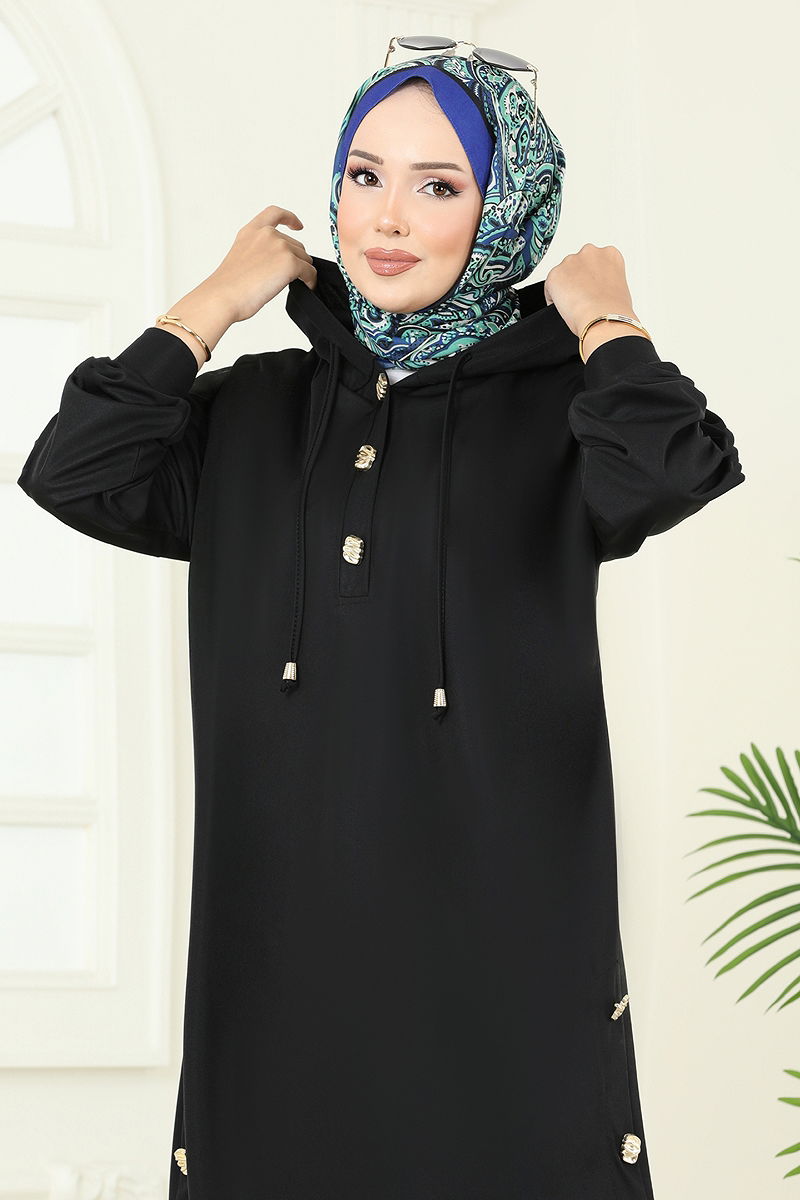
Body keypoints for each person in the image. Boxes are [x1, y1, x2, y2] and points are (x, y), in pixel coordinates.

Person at [17, 47, 745, 1200]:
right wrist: (214, 301)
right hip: (276, 989)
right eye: (363, 175)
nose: (386, 218)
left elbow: (670, 468)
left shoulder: (567, 414)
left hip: (503, 992)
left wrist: (604, 319)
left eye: (437, 185)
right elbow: (74, 469)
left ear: (504, 211)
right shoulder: (251, 411)